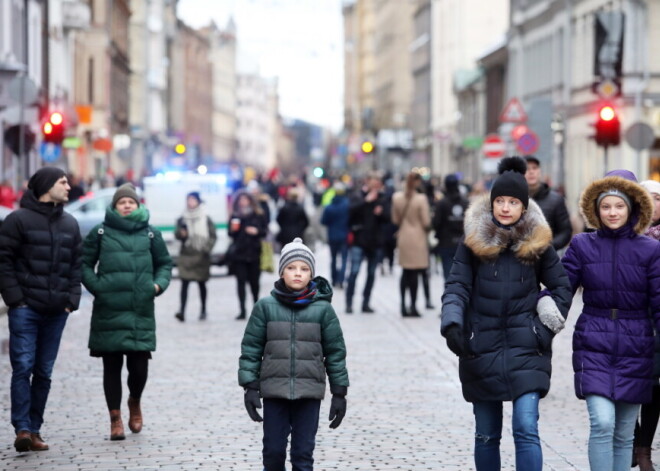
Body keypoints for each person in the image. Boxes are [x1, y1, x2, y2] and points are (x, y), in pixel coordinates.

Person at [441, 157, 572, 471]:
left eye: (513, 202)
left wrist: (543, 328)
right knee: (486, 434)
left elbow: (562, 289)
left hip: (526, 347)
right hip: (480, 346)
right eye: (500, 200)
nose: (505, 207)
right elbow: (457, 285)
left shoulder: (540, 246)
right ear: (491, 203)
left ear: (523, 207)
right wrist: (454, 323)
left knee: (526, 428)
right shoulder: (472, 244)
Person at [561, 169, 660, 471]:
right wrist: (542, 314)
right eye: (606, 206)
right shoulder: (582, 245)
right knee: (603, 422)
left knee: (624, 432)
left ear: (632, 206)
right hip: (594, 338)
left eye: (619, 205)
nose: (612, 212)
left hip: (637, 342)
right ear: (596, 208)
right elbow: (561, 289)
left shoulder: (651, 249)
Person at [238, 237, 349, 471]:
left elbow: (335, 352)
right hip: (274, 392)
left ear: (311, 274)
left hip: (308, 393)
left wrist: (339, 392)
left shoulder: (323, 310)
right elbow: (251, 347)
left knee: (302, 455)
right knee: (273, 452)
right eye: (291, 268)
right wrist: (250, 385)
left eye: (304, 269)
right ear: (281, 272)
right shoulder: (265, 307)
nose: (297, 273)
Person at [0, 167, 83, 452]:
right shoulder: (17, 220)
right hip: (26, 308)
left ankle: (35, 429)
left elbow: (76, 264)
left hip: (57, 309)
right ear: (47, 186)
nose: (68, 187)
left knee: (44, 371)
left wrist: (71, 300)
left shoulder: (70, 223)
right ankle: (22, 428)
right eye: (63, 182)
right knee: (23, 366)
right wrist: (15, 299)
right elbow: (4, 262)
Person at [81, 183, 172, 440]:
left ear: (138, 204)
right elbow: (84, 263)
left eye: (131, 202)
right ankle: (115, 418)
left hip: (139, 309)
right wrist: (97, 287)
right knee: (111, 367)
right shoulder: (100, 232)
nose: (127, 205)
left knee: (139, 368)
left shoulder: (151, 233)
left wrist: (156, 286)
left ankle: (134, 401)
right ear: (115, 206)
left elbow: (165, 264)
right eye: (122, 202)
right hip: (108, 310)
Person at [631, 179, 660, 471]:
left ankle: (644, 450)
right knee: (630, 381)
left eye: (658, 197)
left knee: (653, 385)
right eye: (647, 197)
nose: (653, 204)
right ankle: (633, 436)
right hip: (632, 319)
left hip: (657, 321)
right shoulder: (627, 236)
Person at [345, 171, 390, 314]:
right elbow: (350, 212)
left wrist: (381, 213)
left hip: (375, 241)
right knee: (354, 271)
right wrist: (366, 202)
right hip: (359, 239)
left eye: (378, 184)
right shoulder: (357, 196)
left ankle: (366, 303)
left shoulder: (382, 198)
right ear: (367, 182)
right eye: (374, 183)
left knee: (371, 273)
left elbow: (389, 218)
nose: (376, 186)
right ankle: (349, 303)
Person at [391, 171, 431, 317]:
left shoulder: (396, 198)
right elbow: (426, 221)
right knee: (415, 273)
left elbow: (395, 220)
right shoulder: (421, 199)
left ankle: (402, 304)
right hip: (418, 237)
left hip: (403, 237)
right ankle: (413, 306)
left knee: (405, 272)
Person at [174, 191, 217, 322]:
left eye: (193, 200)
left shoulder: (206, 217)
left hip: (201, 255)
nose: (190, 202)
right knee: (184, 283)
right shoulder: (182, 217)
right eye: (189, 200)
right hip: (187, 254)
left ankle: (203, 310)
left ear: (198, 201)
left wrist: (206, 249)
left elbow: (212, 236)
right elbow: (176, 234)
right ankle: (182, 311)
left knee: (201, 284)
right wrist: (181, 234)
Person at [229, 191, 268, 320]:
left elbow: (264, 231)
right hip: (239, 254)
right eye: (241, 199)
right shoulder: (235, 215)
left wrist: (256, 231)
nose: (243, 202)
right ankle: (242, 310)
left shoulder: (258, 215)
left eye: (245, 199)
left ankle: (256, 307)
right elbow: (231, 234)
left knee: (254, 283)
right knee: (240, 282)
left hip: (254, 252)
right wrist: (233, 230)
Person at [524, 156, 572, 251]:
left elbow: (565, 231)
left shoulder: (556, 199)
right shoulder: (514, 200)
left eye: (535, 168)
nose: (531, 172)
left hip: (548, 258)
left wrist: (548, 247)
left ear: (540, 171)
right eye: (526, 169)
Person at [433, 173, 469, 283]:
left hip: (446, 243)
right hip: (463, 243)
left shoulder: (442, 203)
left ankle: (450, 298)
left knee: (448, 276)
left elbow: (436, 223)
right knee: (463, 276)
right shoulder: (465, 203)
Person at [321, 182, 350, 288]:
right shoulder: (347, 205)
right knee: (343, 259)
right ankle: (341, 280)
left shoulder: (329, 207)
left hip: (332, 236)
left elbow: (323, 221)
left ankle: (334, 279)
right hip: (344, 236)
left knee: (333, 259)